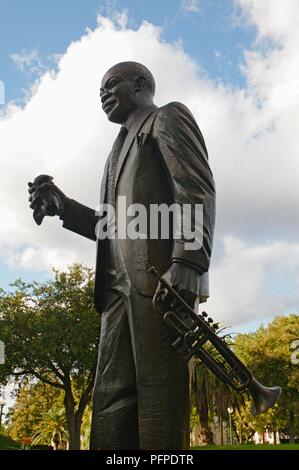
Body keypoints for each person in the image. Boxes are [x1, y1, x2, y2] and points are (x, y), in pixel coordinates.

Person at [28, 61, 216, 450]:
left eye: (111, 85)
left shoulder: (166, 118)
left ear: (141, 83)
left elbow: (195, 190)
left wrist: (188, 261)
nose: (103, 95)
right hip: (115, 294)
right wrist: (62, 206)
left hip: (160, 284)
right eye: (100, 90)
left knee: (159, 394)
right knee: (110, 398)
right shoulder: (115, 154)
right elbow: (112, 228)